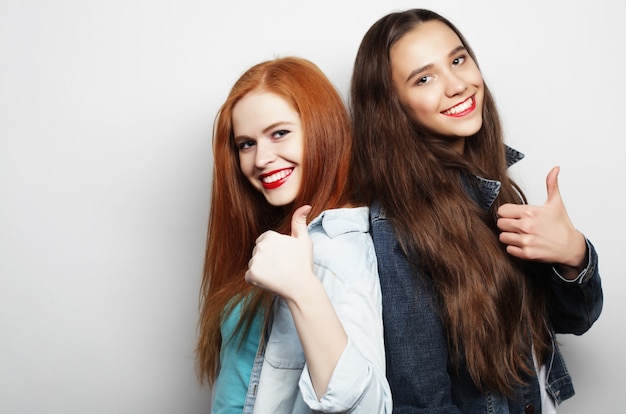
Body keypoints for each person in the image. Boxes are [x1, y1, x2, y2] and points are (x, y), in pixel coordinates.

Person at [349, 8, 603, 413]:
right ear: (391, 106)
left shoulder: (496, 193)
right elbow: (421, 404)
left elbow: (575, 320)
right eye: (424, 78)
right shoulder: (398, 229)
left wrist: (574, 256)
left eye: (457, 59)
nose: (456, 85)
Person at [196, 56, 392, 413]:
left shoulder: (335, 251)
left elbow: (368, 406)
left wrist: (303, 289)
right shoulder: (277, 238)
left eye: (279, 133)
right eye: (246, 144)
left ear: (322, 129)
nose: (260, 159)